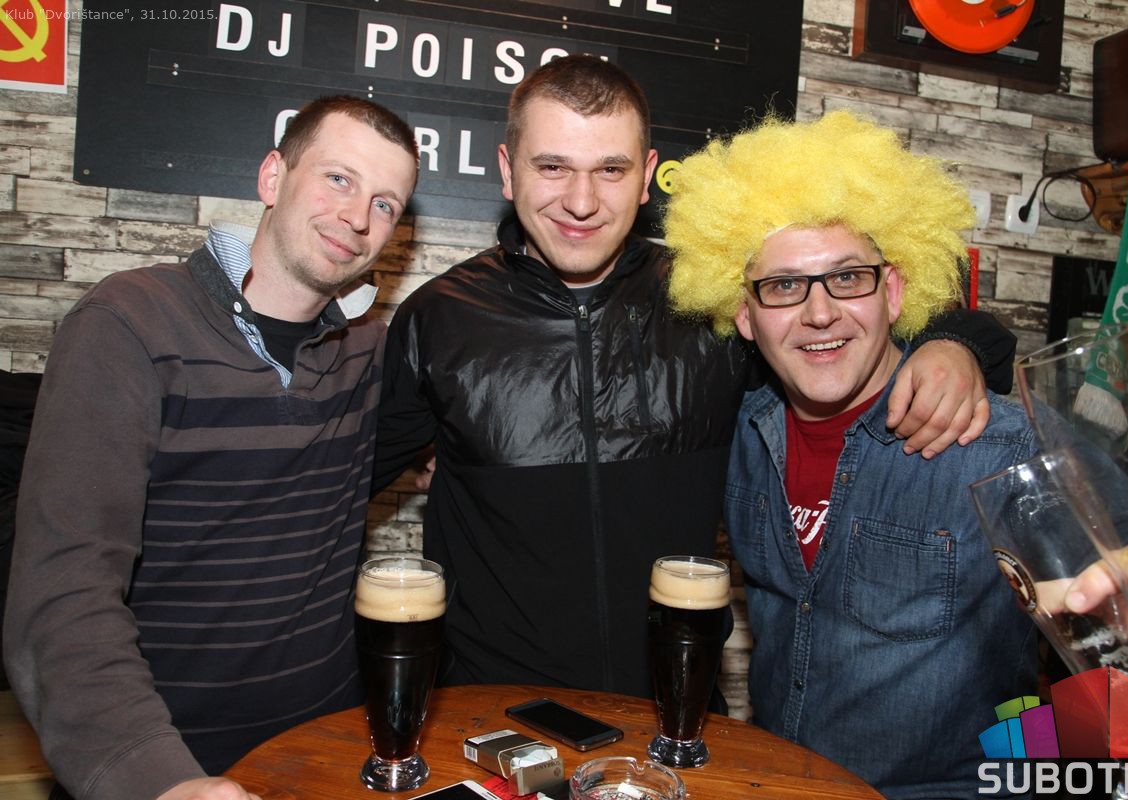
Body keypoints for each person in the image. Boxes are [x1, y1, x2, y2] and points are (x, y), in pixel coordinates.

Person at [372, 54, 1017, 701]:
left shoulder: (708, 302)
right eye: (552, 167)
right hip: (488, 713)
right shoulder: (440, 318)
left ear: (647, 176)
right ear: (508, 170)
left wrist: (956, 343)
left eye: (611, 169)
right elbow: (344, 478)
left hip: (672, 713)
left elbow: (848, 319)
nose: (581, 201)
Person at [4, 96, 419, 800]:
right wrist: (158, 778)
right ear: (271, 177)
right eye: (338, 179)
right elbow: (64, 589)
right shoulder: (129, 323)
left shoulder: (367, 352)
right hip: (169, 763)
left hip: (328, 758)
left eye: (385, 203)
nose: (357, 217)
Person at [663, 111, 1041, 798]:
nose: (819, 313)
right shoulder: (743, 435)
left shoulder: (995, 444)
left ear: (892, 292)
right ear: (744, 314)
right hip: (776, 782)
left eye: (847, 279)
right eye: (783, 286)